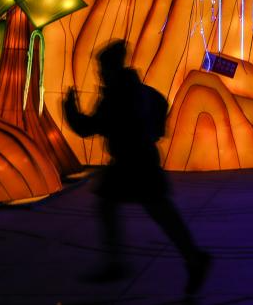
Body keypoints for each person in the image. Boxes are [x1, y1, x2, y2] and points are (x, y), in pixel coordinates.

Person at [63, 40, 211, 294]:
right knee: (155, 210)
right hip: (141, 159)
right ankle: (193, 257)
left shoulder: (117, 94)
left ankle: (190, 258)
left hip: (132, 162)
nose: (99, 73)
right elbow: (160, 104)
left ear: (110, 67)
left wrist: (70, 110)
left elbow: (89, 127)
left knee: (146, 210)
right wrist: (155, 131)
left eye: (101, 68)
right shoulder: (136, 88)